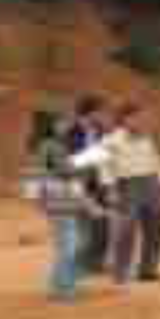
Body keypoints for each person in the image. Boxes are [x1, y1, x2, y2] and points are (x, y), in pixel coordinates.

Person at [97, 102, 160, 285]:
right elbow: (104, 167)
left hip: (150, 183)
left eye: (143, 117)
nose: (141, 121)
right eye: (137, 117)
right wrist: (110, 189)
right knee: (126, 230)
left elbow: (156, 161)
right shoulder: (110, 140)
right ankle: (120, 273)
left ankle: (148, 270)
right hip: (126, 185)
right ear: (124, 119)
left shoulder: (147, 138)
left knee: (157, 228)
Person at [36, 113, 105, 302]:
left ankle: (61, 285)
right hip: (60, 199)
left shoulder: (50, 145)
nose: (66, 125)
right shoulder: (51, 146)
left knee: (73, 243)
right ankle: (62, 289)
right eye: (61, 122)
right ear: (51, 125)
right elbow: (65, 171)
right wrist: (89, 158)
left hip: (61, 198)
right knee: (70, 245)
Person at [66, 95, 113, 274]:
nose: (104, 115)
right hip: (77, 184)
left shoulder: (101, 132)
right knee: (83, 226)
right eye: (101, 111)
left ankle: (95, 263)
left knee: (104, 224)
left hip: (98, 184)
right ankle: (78, 264)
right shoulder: (70, 133)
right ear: (91, 113)